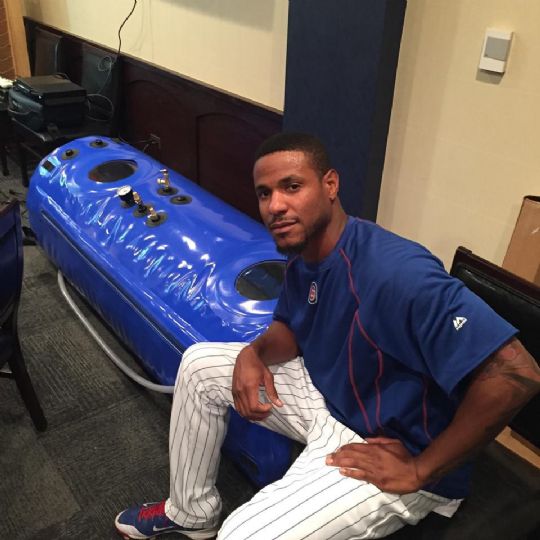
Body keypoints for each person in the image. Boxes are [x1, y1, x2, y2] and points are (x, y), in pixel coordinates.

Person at [115, 132, 539, 540]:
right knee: (200, 364)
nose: (275, 206)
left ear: (330, 185)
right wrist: (254, 352)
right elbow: (291, 329)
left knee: (243, 536)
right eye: (265, 193)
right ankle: (191, 514)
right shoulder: (306, 252)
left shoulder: (396, 272)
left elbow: (518, 373)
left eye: (292, 186)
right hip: (329, 397)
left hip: (387, 443)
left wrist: (420, 470)